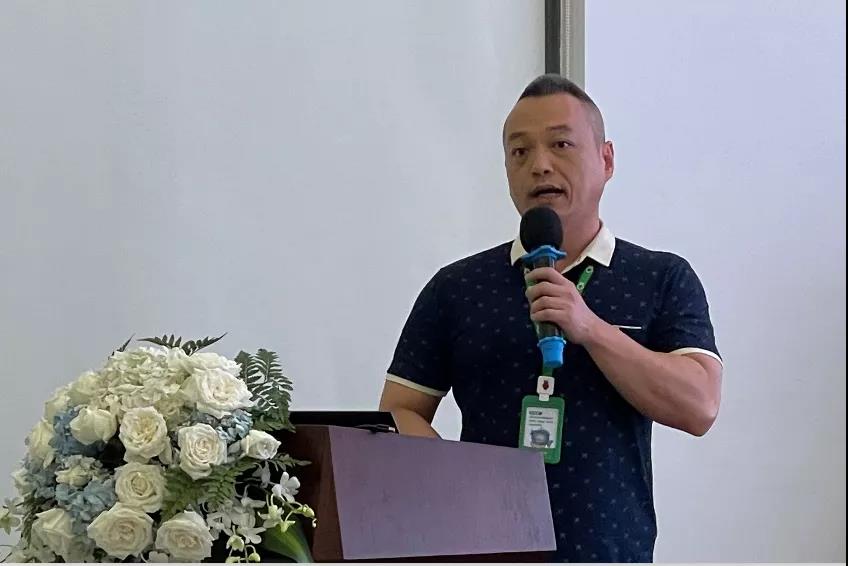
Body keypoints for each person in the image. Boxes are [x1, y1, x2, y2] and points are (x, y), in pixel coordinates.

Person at [379, 74, 722, 562]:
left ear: (606, 160)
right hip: (482, 550)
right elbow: (398, 411)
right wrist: (458, 484)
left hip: (609, 551)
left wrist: (591, 329)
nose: (539, 165)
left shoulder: (660, 277)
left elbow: (700, 405)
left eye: (561, 144)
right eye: (519, 152)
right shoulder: (457, 287)